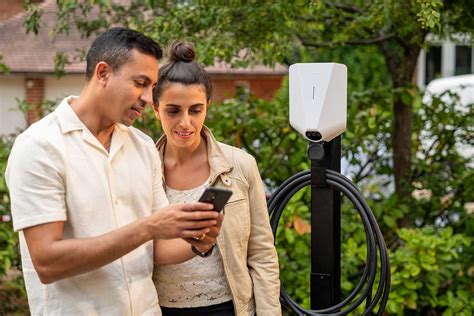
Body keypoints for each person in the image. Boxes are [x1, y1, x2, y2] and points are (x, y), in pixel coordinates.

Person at [6, 28, 223, 315]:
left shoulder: (143, 147)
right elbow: (48, 263)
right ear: (103, 73)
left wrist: (197, 243)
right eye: (140, 83)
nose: (148, 98)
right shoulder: (39, 147)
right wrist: (149, 227)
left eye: (152, 87)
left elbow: (155, 247)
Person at [152, 41, 281, 316]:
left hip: (227, 307)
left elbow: (262, 254)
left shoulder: (240, 165)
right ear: (155, 108)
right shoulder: (141, 169)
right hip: (158, 308)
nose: (185, 122)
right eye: (173, 110)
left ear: (208, 106)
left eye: (195, 110)